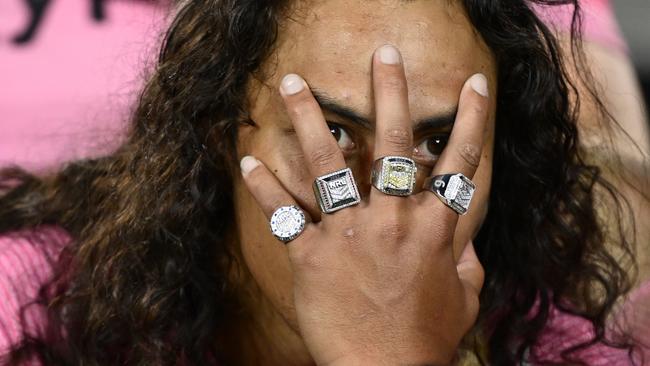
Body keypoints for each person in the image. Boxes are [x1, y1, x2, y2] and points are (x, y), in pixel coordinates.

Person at [0, 0, 647, 365]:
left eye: (439, 144)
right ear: (221, 132)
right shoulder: (32, 303)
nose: (380, 215)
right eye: (331, 134)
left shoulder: (566, 344)